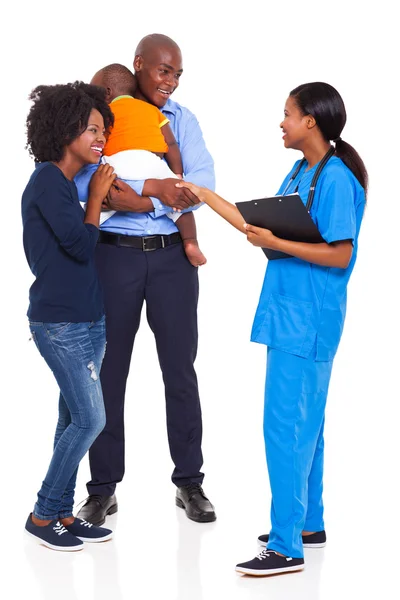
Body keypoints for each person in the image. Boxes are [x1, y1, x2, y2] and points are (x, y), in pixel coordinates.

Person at [177, 82, 367, 575]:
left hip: (309, 319)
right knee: (310, 425)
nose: (280, 122)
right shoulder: (300, 170)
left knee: (286, 427)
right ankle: (308, 523)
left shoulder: (338, 179)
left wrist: (278, 240)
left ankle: (285, 546)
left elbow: (341, 253)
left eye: (287, 114)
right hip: (289, 313)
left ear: (312, 121)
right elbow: (251, 224)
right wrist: (201, 194)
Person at [74, 34, 216, 526]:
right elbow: (81, 185)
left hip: (172, 260)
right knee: (107, 375)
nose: (170, 82)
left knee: (180, 372)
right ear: (138, 67)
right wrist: (153, 192)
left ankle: (190, 483)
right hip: (112, 259)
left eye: (176, 74)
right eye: (162, 71)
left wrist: (139, 200)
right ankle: (102, 488)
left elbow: (198, 187)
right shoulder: (98, 116)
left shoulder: (180, 120)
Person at [22, 81, 117, 551]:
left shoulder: (60, 185)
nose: (101, 138)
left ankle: (62, 512)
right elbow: (80, 246)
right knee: (90, 420)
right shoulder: (47, 181)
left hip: (87, 320)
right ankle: (42, 515)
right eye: (92, 129)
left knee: (71, 419)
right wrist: (97, 196)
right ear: (65, 129)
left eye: (104, 130)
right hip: (59, 324)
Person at [89, 62, 206, 267]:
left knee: (96, 205)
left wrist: (139, 200)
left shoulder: (103, 115)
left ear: (107, 93)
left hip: (117, 163)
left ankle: (84, 240)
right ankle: (191, 243)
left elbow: (99, 144)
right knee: (180, 208)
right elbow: (170, 143)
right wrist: (176, 175)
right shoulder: (151, 111)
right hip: (153, 162)